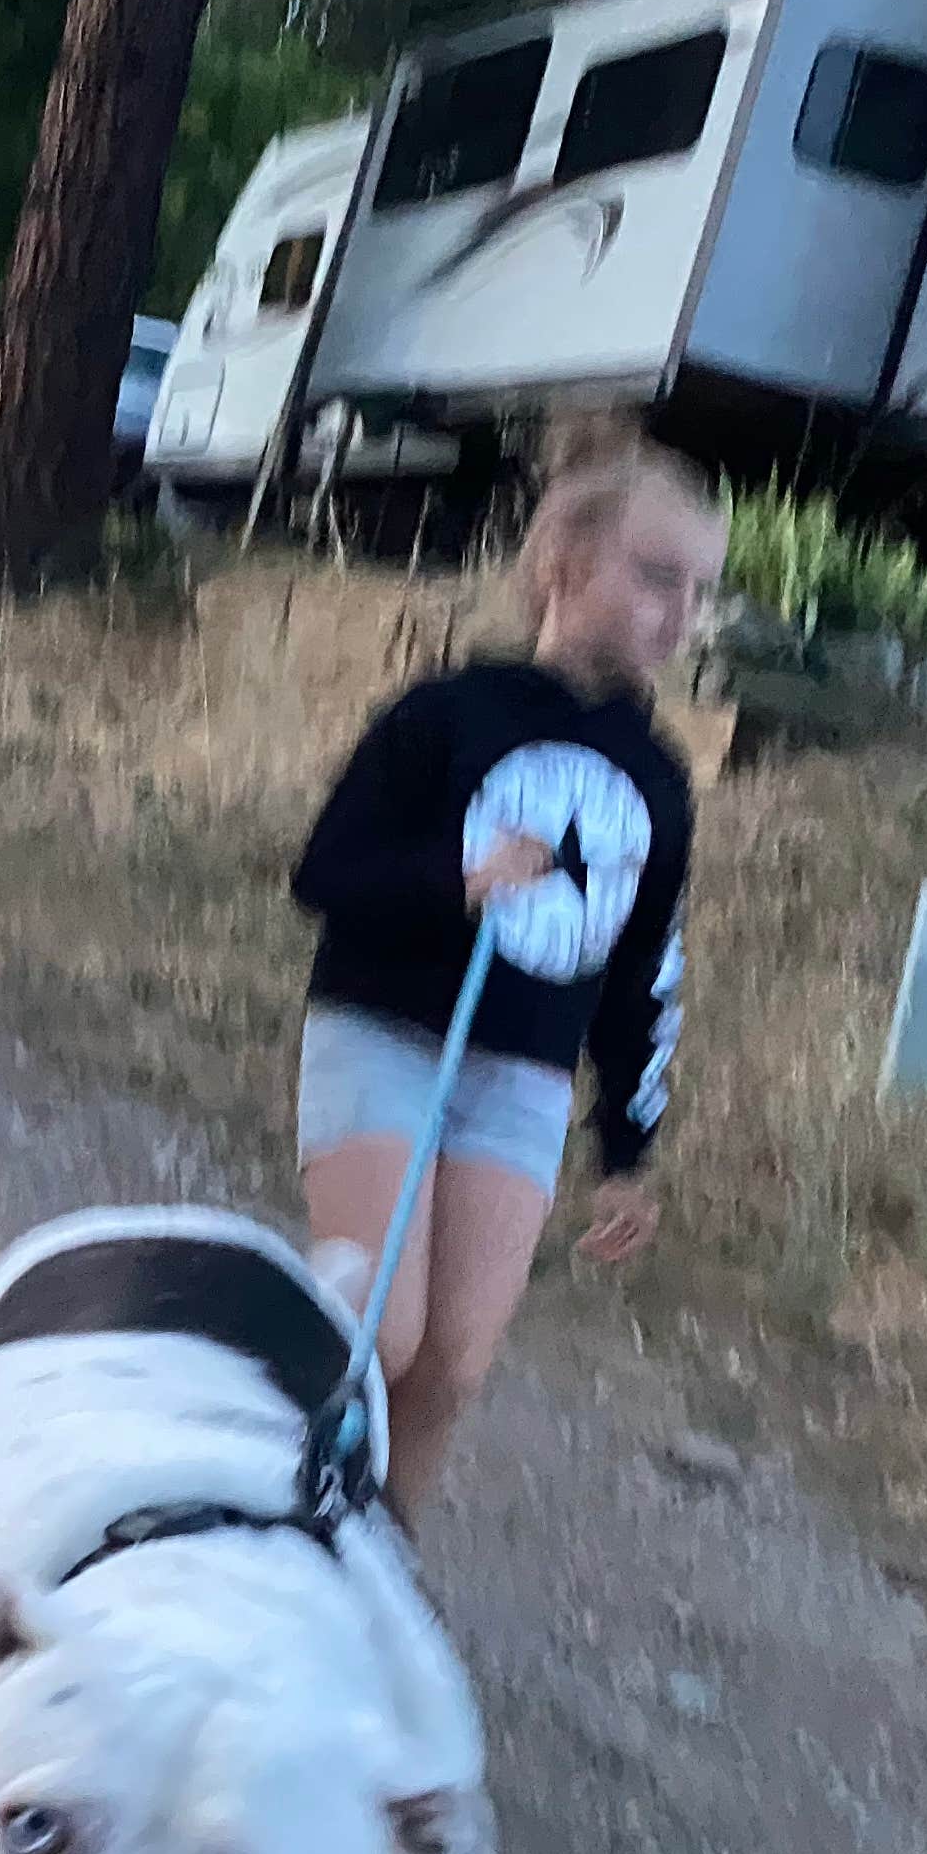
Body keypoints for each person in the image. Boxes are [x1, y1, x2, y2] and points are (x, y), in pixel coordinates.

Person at [289, 425, 726, 1519]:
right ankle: (265, 1519)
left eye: (702, 590)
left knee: (449, 1370)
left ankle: (376, 1584)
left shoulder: (661, 781)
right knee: (377, 1334)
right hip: (384, 1036)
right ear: (562, 568)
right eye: (656, 577)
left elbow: (641, 973)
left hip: (521, 1081)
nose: (681, 614)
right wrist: (457, 878)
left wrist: (627, 1149)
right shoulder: (443, 717)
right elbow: (326, 871)